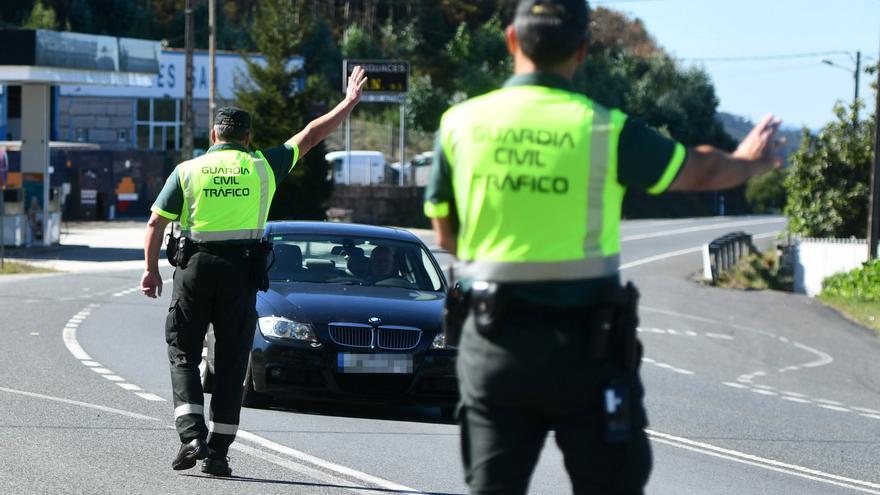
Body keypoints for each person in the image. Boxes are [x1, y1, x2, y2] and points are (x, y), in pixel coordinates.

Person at [423, 2, 782, 494]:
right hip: (587, 354)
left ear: (511, 40)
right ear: (582, 50)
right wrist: (748, 162)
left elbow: (445, 236)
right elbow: (701, 170)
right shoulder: (604, 128)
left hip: (494, 347)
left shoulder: (459, 125)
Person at [140, 66, 367, 477]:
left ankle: (192, 436)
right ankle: (219, 452)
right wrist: (348, 103)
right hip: (241, 273)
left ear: (213, 136)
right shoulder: (264, 166)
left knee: (184, 352)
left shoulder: (188, 171)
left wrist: (151, 271)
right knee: (230, 361)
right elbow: (312, 135)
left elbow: (156, 223)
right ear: (246, 138)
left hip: (194, 268)